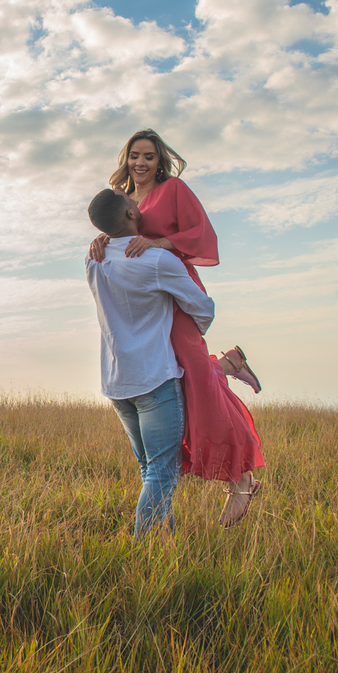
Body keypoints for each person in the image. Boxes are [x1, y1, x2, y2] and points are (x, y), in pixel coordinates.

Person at [90, 129, 264, 527]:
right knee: (180, 381)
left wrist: (160, 244)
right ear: (125, 158)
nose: (141, 163)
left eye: (149, 156)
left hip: (171, 284)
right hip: (144, 298)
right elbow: (118, 231)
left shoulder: (174, 191)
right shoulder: (122, 200)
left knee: (196, 379)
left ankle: (241, 477)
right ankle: (229, 364)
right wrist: (102, 241)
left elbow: (202, 235)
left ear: (160, 160)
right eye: (135, 155)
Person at [85, 188, 216, 537]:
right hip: (154, 378)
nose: (135, 199)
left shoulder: (93, 260)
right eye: (129, 200)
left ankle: (165, 543)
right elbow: (204, 309)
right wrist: (185, 333)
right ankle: (143, 556)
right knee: (162, 473)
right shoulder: (157, 261)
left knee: (150, 471)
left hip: (116, 382)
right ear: (130, 214)